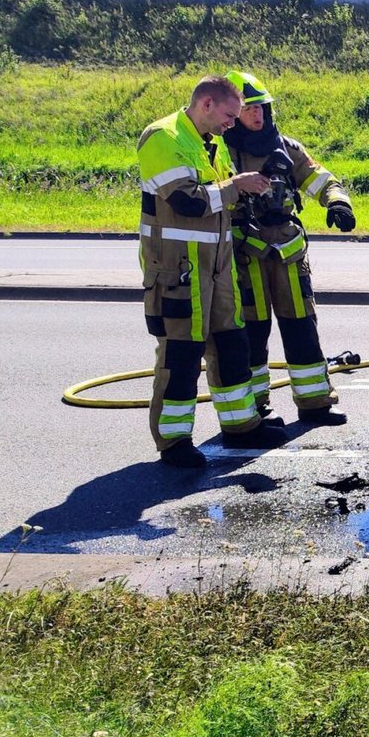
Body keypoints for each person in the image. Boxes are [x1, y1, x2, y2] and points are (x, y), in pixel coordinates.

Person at [136, 74, 284, 468]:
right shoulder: (163, 138)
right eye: (229, 115)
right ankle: (173, 441)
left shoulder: (209, 145)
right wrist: (238, 185)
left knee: (232, 344)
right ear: (206, 104)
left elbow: (221, 202)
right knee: (182, 353)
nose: (232, 124)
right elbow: (188, 202)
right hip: (177, 269)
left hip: (217, 267)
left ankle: (242, 426)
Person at [221, 70, 354, 427]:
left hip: (289, 253)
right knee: (253, 332)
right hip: (247, 255)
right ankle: (257, 406)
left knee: (302, 327)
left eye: (262, 107)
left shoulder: (285, 147)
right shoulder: (222, 152)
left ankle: (315, 403)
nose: (258, 115)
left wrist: (338, 202)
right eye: (250, 109)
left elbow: (320, 178)